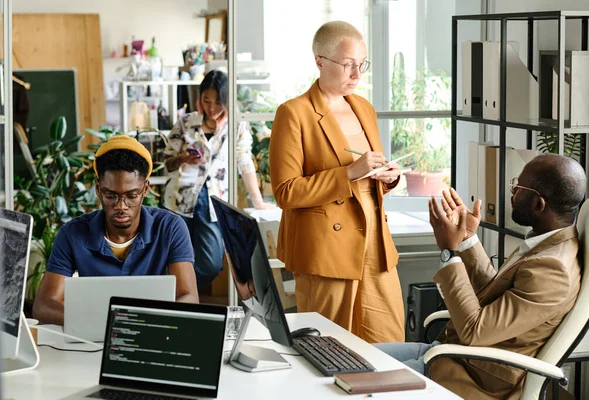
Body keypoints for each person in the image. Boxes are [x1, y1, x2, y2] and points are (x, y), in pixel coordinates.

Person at [376, 153, 587, 400]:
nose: (512, 192)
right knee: (349, 356)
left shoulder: (553, 270)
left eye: (518, 187)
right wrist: (466, 239)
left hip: (471, 380)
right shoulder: (549, 245)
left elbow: (475, 330)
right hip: (450, 355)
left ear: (539, 204)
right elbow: (494, 294)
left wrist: (449, 253)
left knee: (344, 379)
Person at [269, 21, 405, 343]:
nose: (357, 74)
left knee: (390, 344)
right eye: (348, 65)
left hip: (376, 245)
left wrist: (389, 177)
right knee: (329, 347)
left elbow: (370, 174)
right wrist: (347, 174)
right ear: (320, 61)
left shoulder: (364, 107)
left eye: (362, 64)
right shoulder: (293, 113)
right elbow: (285, 192)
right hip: (326, 251)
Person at [33, 136, 199, 325]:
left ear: (146, 189)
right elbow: (43, 305)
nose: (121, 206)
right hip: (92, 339)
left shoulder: (170, 228)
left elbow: (189, 297)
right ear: (98, 189)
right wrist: (105, 324)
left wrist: (150, 322)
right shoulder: (72, 233)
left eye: (131, 195)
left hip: (152, 333)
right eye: (111, 195)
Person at [162, 70, 274, 294]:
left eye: (217, 101)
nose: (211, 107)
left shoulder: (237, 126)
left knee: (211, 263)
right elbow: (167, 163)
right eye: (206, 100)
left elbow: (244, 162)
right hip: (179, 201)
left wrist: (258, 201)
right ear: (200, 98)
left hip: (214, 202)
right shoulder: (185, 123)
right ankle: (177, 304)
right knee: (174, 258)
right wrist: (184, 158)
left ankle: (181, 294)